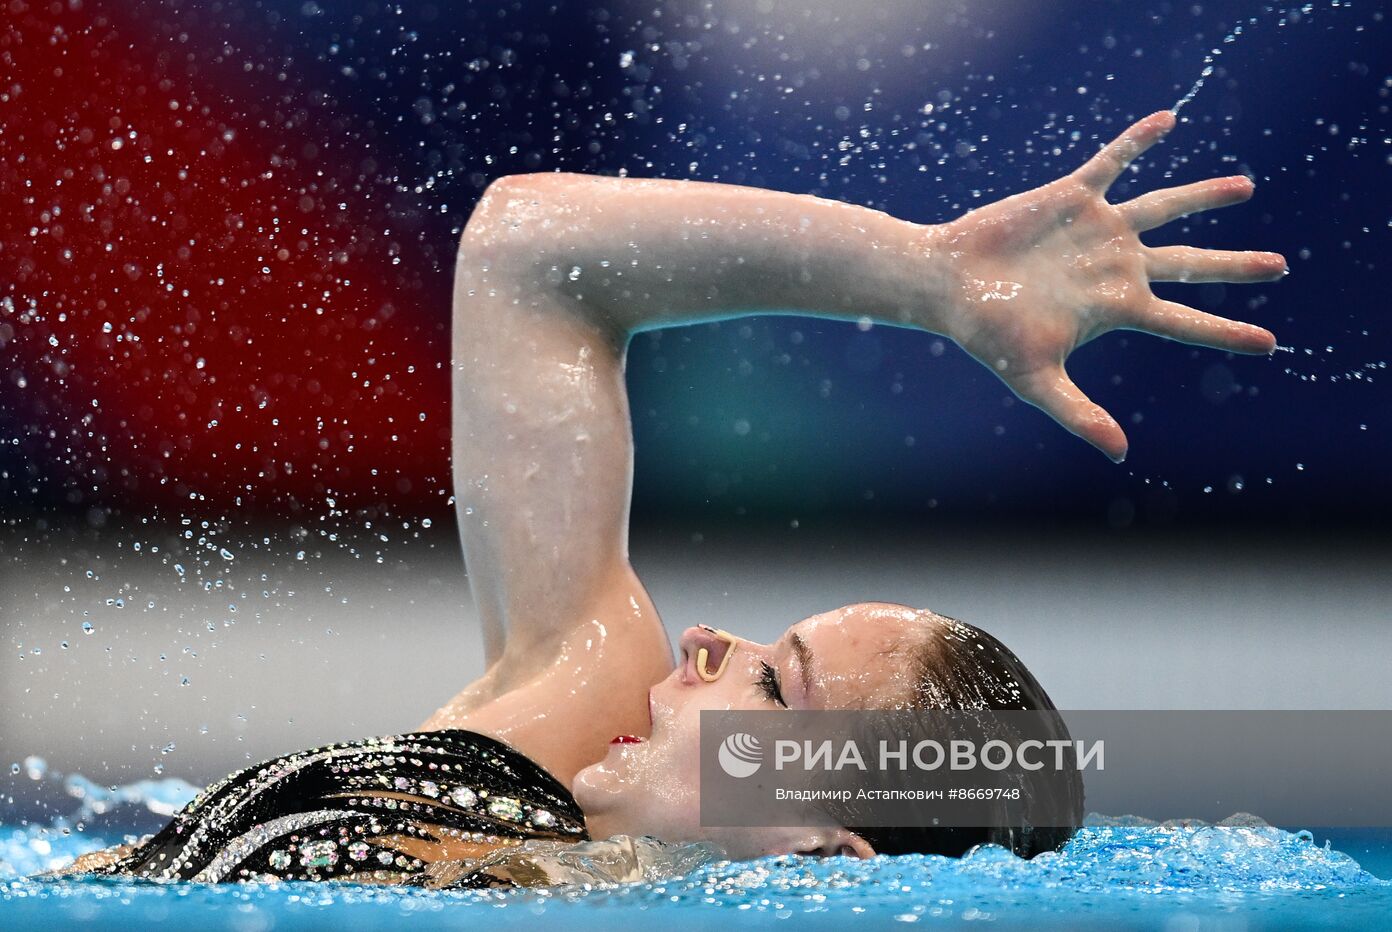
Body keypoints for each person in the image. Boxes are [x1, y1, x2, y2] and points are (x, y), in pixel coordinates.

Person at [58, 110, 1284, 886]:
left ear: (812, 845)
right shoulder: (582, 697)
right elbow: (528, 250)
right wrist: (926, 275)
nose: (704, 635)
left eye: (770, 681)